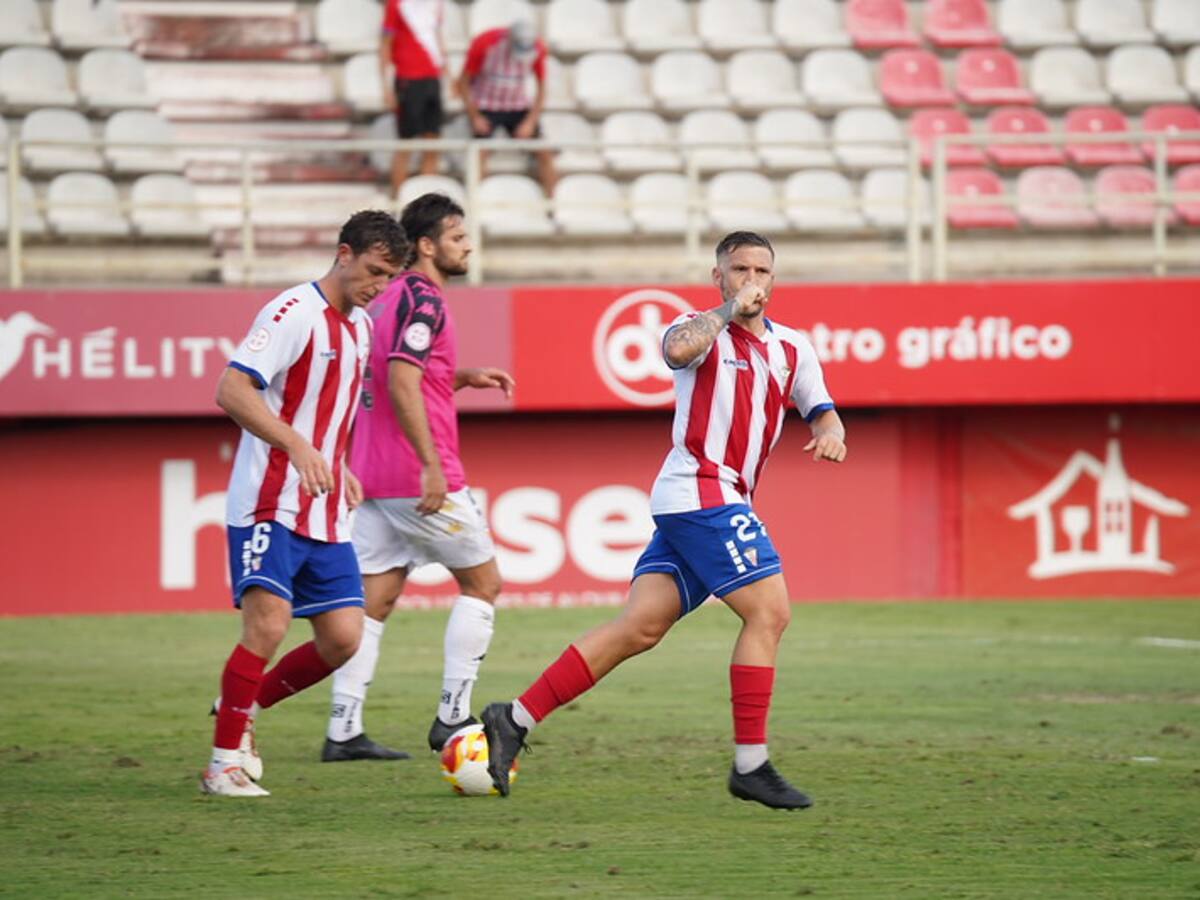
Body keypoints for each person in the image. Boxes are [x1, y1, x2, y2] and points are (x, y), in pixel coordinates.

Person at [480, 232, 847, 810]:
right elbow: (676, 352)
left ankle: (513, 719)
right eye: (740, 269)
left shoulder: (793, 348)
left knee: (639, 628)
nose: (753, 279)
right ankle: (751, 765)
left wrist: (830, 432)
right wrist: (729, 312)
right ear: (718, 276)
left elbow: (820, 407)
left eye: (762, 271)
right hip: (701, 492)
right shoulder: (699, 328)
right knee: (771, 613)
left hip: (718, 501)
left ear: (776, 279)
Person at [201, 210, 408, 797]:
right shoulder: (292, 313)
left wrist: (336, 464)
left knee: (344, 637)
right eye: (372, 272)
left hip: (323, 507)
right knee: (267, 626)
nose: (377, 286)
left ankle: (237, 711)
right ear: (344, 254)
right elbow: (231, 388)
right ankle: (222, 766)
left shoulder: (362, 326)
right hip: (270, 499)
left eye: (387, 279)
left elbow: (325, 408)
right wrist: (296, 446)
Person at [321, 192, 516, 762]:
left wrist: (462, 376)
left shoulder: (384, 298)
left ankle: (343, 729)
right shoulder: (425, 299)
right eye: (457, 238)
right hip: (417, 475)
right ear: (427, 245)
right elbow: (403, 380)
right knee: (483, 584)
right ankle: (452, 717)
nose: (467, 246)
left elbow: (400, 375)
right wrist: (431, 463)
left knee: (374, 602)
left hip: (374, 475)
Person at [456, 19, 557, 196]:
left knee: (544, 152)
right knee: (478, 154)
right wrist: (475, 117)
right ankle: (476, 204)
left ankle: (553, 206)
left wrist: (530, 122)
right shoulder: (484, 44)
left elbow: (542, 89)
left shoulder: (538, 49)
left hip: (517, 105)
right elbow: (463, 83)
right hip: (486, 105)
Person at [380, 0, 446, 197]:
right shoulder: (396, 5)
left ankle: (426, 201)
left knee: (432, 142)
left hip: (432, 77)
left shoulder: (436, 4)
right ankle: (398, 199)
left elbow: (436, 37)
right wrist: (386, 86)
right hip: (408, 78)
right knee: (406, 143)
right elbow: (385, 45)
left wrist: (447, 72)